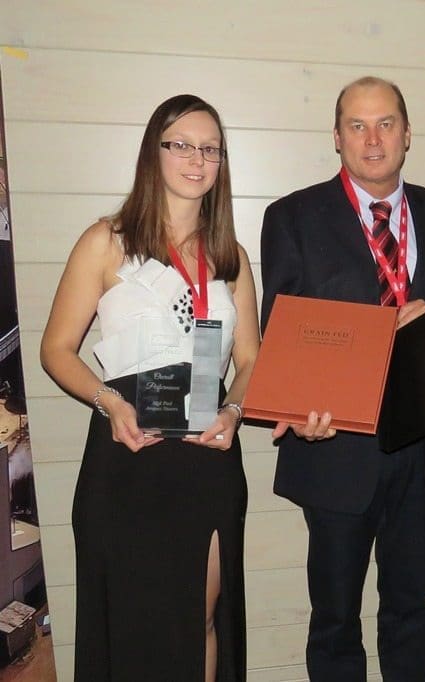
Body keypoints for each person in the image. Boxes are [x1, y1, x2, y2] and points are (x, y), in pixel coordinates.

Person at [260, 76, 425, 681]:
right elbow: (280, 332)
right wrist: (295, 407)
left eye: (386, 123)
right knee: (334, 620)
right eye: (357, 125)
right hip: (333, 453)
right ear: (337, 137)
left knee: (411, 610)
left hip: (421, 451)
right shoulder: (292, 218)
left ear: (407, 134)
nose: (373, 138)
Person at [40, 94, 259, 681]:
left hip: (208, 457)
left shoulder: (230, 256)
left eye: (210, 148)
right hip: (128, 455)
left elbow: (250, 358)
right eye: (181, 144)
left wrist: (235, 411)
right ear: (152, 152)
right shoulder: (105, 242)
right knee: (136, 632)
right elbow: (56, 350)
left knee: (203, 614)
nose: (197, 159)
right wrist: (109, 401)